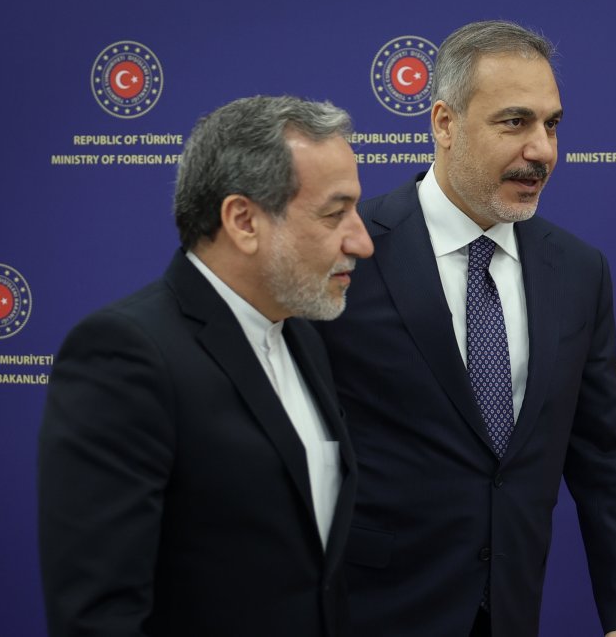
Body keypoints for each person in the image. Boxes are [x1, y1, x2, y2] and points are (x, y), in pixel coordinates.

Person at [315, 20, 616, 636]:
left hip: (508, 612)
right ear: (444, 123)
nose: (543, 150)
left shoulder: (579, 271)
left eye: (552, 125)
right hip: (364, 613)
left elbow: (606, 458)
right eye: (515, 122)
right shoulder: (346, 251)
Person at [38, 95, 373, 637]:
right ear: (243, 220)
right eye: (335, 214)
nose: (362, 241)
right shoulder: (126, 355)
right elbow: (98, 617)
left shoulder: (305, 339)